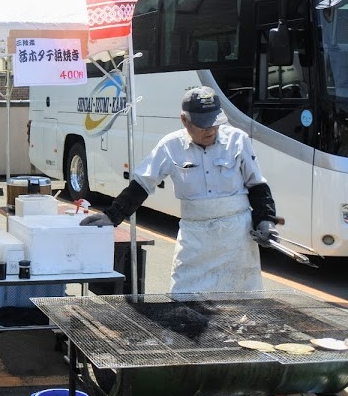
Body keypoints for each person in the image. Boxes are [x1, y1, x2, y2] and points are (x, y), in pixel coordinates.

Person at [81, 87, 278, 294]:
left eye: (215, 123)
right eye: (202, 125)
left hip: (236, 238)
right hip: (196, 238)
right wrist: (112, 216)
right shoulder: (170, 146)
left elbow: (257, 185)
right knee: (186, 300)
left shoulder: (238, 140)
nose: (210, 129)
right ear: (184, 120)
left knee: (242, 304)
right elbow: (142, 184)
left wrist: (266, 220)